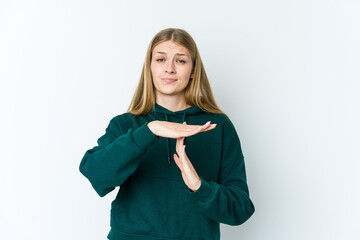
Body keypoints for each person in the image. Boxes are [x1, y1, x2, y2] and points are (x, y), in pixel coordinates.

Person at [79, 28, 255, 240]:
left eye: (180, 61)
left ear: (193, 70)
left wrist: (199, 186)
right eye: (161, 59)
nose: (169, 68)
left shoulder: (217, 125)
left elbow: (241, 209)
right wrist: (150, 131)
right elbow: (96, 174)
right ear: (150, 68)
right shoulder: (126, 124)